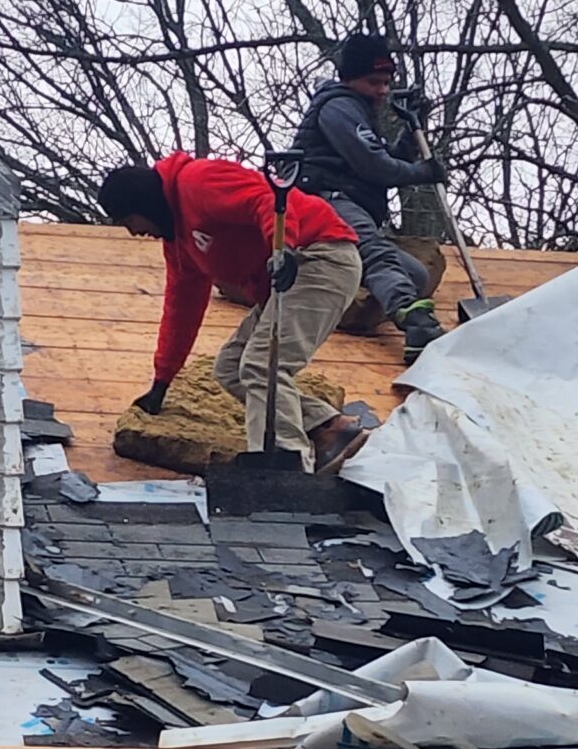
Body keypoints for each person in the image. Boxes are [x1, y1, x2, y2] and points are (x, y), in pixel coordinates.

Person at [98, 153, 369, 473]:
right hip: (292, 273)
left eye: (128, 221)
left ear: (140, 203)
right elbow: (180, 310)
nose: (133, 232)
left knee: (261, 363)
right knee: (231, 366)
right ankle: (329, 428)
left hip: (319, 257)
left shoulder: (197, 182)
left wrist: (285, 248)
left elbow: (265, 199)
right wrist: (162, 380)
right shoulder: (181, 244)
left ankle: (284, 465)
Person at [290, 30, 447, 361]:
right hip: (323, 202)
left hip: (348, 204)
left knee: (416, 275)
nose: (383, 91)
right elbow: (375, 166)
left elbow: (385, 161)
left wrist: (411, 131)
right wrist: (425, 172)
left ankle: (338, 285)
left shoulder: (358, 108)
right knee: (377, 255)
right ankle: (416, 324)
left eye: (387, 82)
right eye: (374, 82)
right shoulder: (339, 107)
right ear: (350, 78)